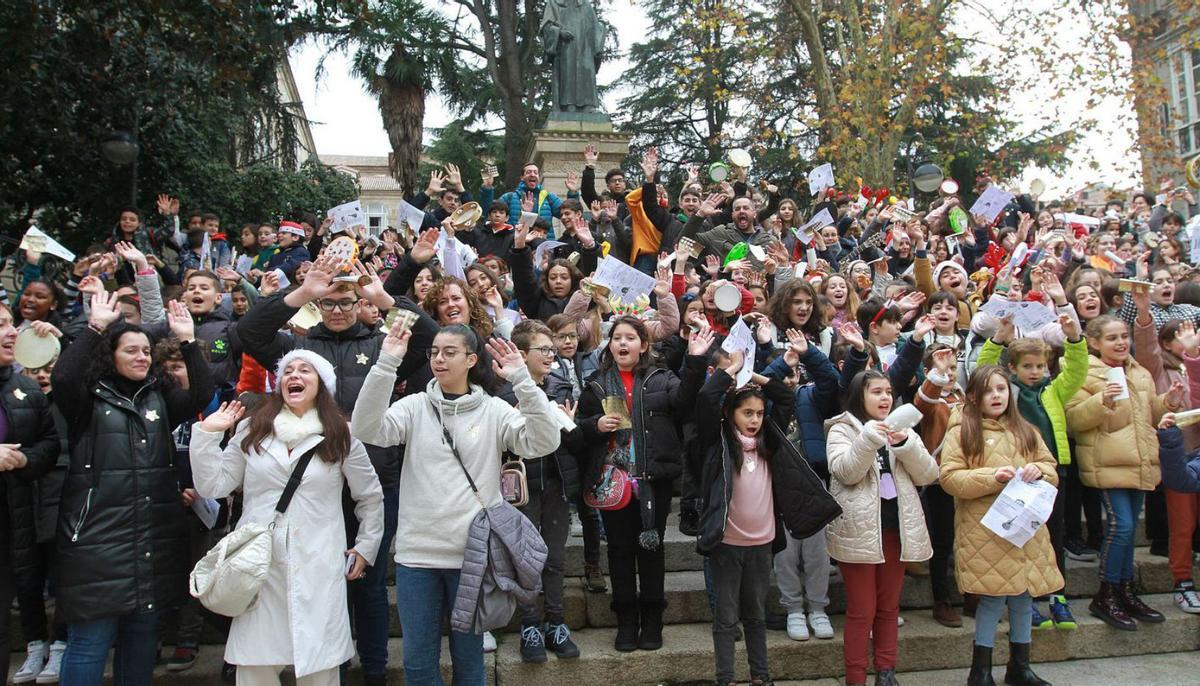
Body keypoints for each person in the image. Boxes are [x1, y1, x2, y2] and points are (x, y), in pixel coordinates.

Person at [350, 322, 562, 685]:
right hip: (417, 557)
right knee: (418, 665)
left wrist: (523, 382)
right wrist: (386, 363)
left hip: (474, 557)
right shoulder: (414, 407)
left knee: (469, 664)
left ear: (470, 359)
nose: (439, 359)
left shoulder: (494, 410)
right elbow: (366, 428)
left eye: (450, 352)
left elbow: (544, 441)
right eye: (434, 352)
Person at [189, 350, 384, 686]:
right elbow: (214, 484)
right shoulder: (253, 428)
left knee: (319, 668)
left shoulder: (340, 432)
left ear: (321, 384)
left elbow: (369, 496)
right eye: (288, 371)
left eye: (305, 370)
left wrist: (366, 546)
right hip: (258, 564)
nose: (294, 375)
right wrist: (207, 435)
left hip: (318, 561)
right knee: (255, 668)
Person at [51, 295, 214, 685]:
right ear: (111, 355)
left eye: (146, 351)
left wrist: (188, 342)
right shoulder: (86, 399)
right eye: (131, 350)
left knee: (142, 640)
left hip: (150, 538)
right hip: (96, 541)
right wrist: (94, 329)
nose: (142, 357)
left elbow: (200, 394)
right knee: (90, 641)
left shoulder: (158, 396)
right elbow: (63, 378)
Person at [695, 340, 839, 686]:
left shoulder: (768, 441)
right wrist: (730, 373)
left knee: (756, 615)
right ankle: (725, 678)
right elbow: (703, 402)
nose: (755, 420)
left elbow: (786, 399)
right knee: (727, 618)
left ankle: (761, 676)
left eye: (759, 414)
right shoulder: (718, 441)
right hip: (727, 542)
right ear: (732, 415)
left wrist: (757, 376)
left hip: (762, 542)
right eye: (747, 413)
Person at [577, 316, 707, 652]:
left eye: (630, 338)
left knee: (651, 549)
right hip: (613, 482)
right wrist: (595, 425)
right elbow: (577, 434)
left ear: (644, 345)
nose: (622, 344)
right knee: (619, 551)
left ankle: (652, 622)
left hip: (653, 480)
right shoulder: (596, 383)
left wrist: (695, 361)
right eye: (617, 338)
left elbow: (684, 404)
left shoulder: (661, 378)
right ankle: (625, 622)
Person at [940, 365, 1064, 686]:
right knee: (993, 598)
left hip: (1025, 529)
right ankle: (980, 671)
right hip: (986, 532)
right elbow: (950, 478)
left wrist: (1039, 470)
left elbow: (1050, 468)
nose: (997, 396)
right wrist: (992, 477)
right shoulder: (962, 432)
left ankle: (1019, 666)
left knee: (1024, 596)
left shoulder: (1025, 429)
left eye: (1002, 389)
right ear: (973, 397)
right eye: (988, 391)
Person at [1066, 315, 1186, 631]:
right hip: (1106, 461)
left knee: (1129, 530)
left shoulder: (1140, 372)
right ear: (1094, 342)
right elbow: (1074, 420)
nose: (1121, 342)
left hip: (1140, 460)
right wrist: (1099, 401)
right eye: (1112, 338)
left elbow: (1149, 413)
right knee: (1121, 527)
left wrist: (1168, 402)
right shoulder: (1083, 372)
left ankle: (1124, 590)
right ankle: (1106, 594)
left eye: (1124, 336)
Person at [824, 370, 939, 686]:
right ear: (860, 395)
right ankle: (856, 678)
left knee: (889, 607)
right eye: (876, 392)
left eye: (889, 391)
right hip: (858, 534)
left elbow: (929, 474)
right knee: (863, 610)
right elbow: (846, 472)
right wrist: (869, 438)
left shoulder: (901, 428)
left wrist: (904, 444)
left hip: (896, 531)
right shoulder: (841, 429)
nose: (885, 398)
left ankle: (886, 673)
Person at [977, 312, 1088, 630]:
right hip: (1017, 476)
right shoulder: (1005, 393)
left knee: (1055, 534)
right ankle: (1026, 598)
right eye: (1027, 366)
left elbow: (1078, 370)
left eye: (1040, 366)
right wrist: (999, 337)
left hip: (1052, 472)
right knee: (1024, 537)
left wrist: (1075, 338)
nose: (1035, 372)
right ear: (1012, 368)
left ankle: (1058, 596)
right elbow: (983, 371)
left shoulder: (1053, 390)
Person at [506, 320, 582, 663]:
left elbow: (571, 438)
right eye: (544, 350)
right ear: (522, 354)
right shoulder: (501, 391)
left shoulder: (559, 385)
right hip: (519, 487)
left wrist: (571, 423)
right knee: (524, 559)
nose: (552, 355)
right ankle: (530, 625)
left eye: (553, 349)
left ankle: (555, 621)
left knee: (554, 557)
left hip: (556, 481)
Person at [0, 305, 60, 682]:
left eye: (10, 323)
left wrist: (24, 459)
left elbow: (50, 443)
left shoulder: (25, 388)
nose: (12, 332)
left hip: (12, 523)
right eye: (1, 325)